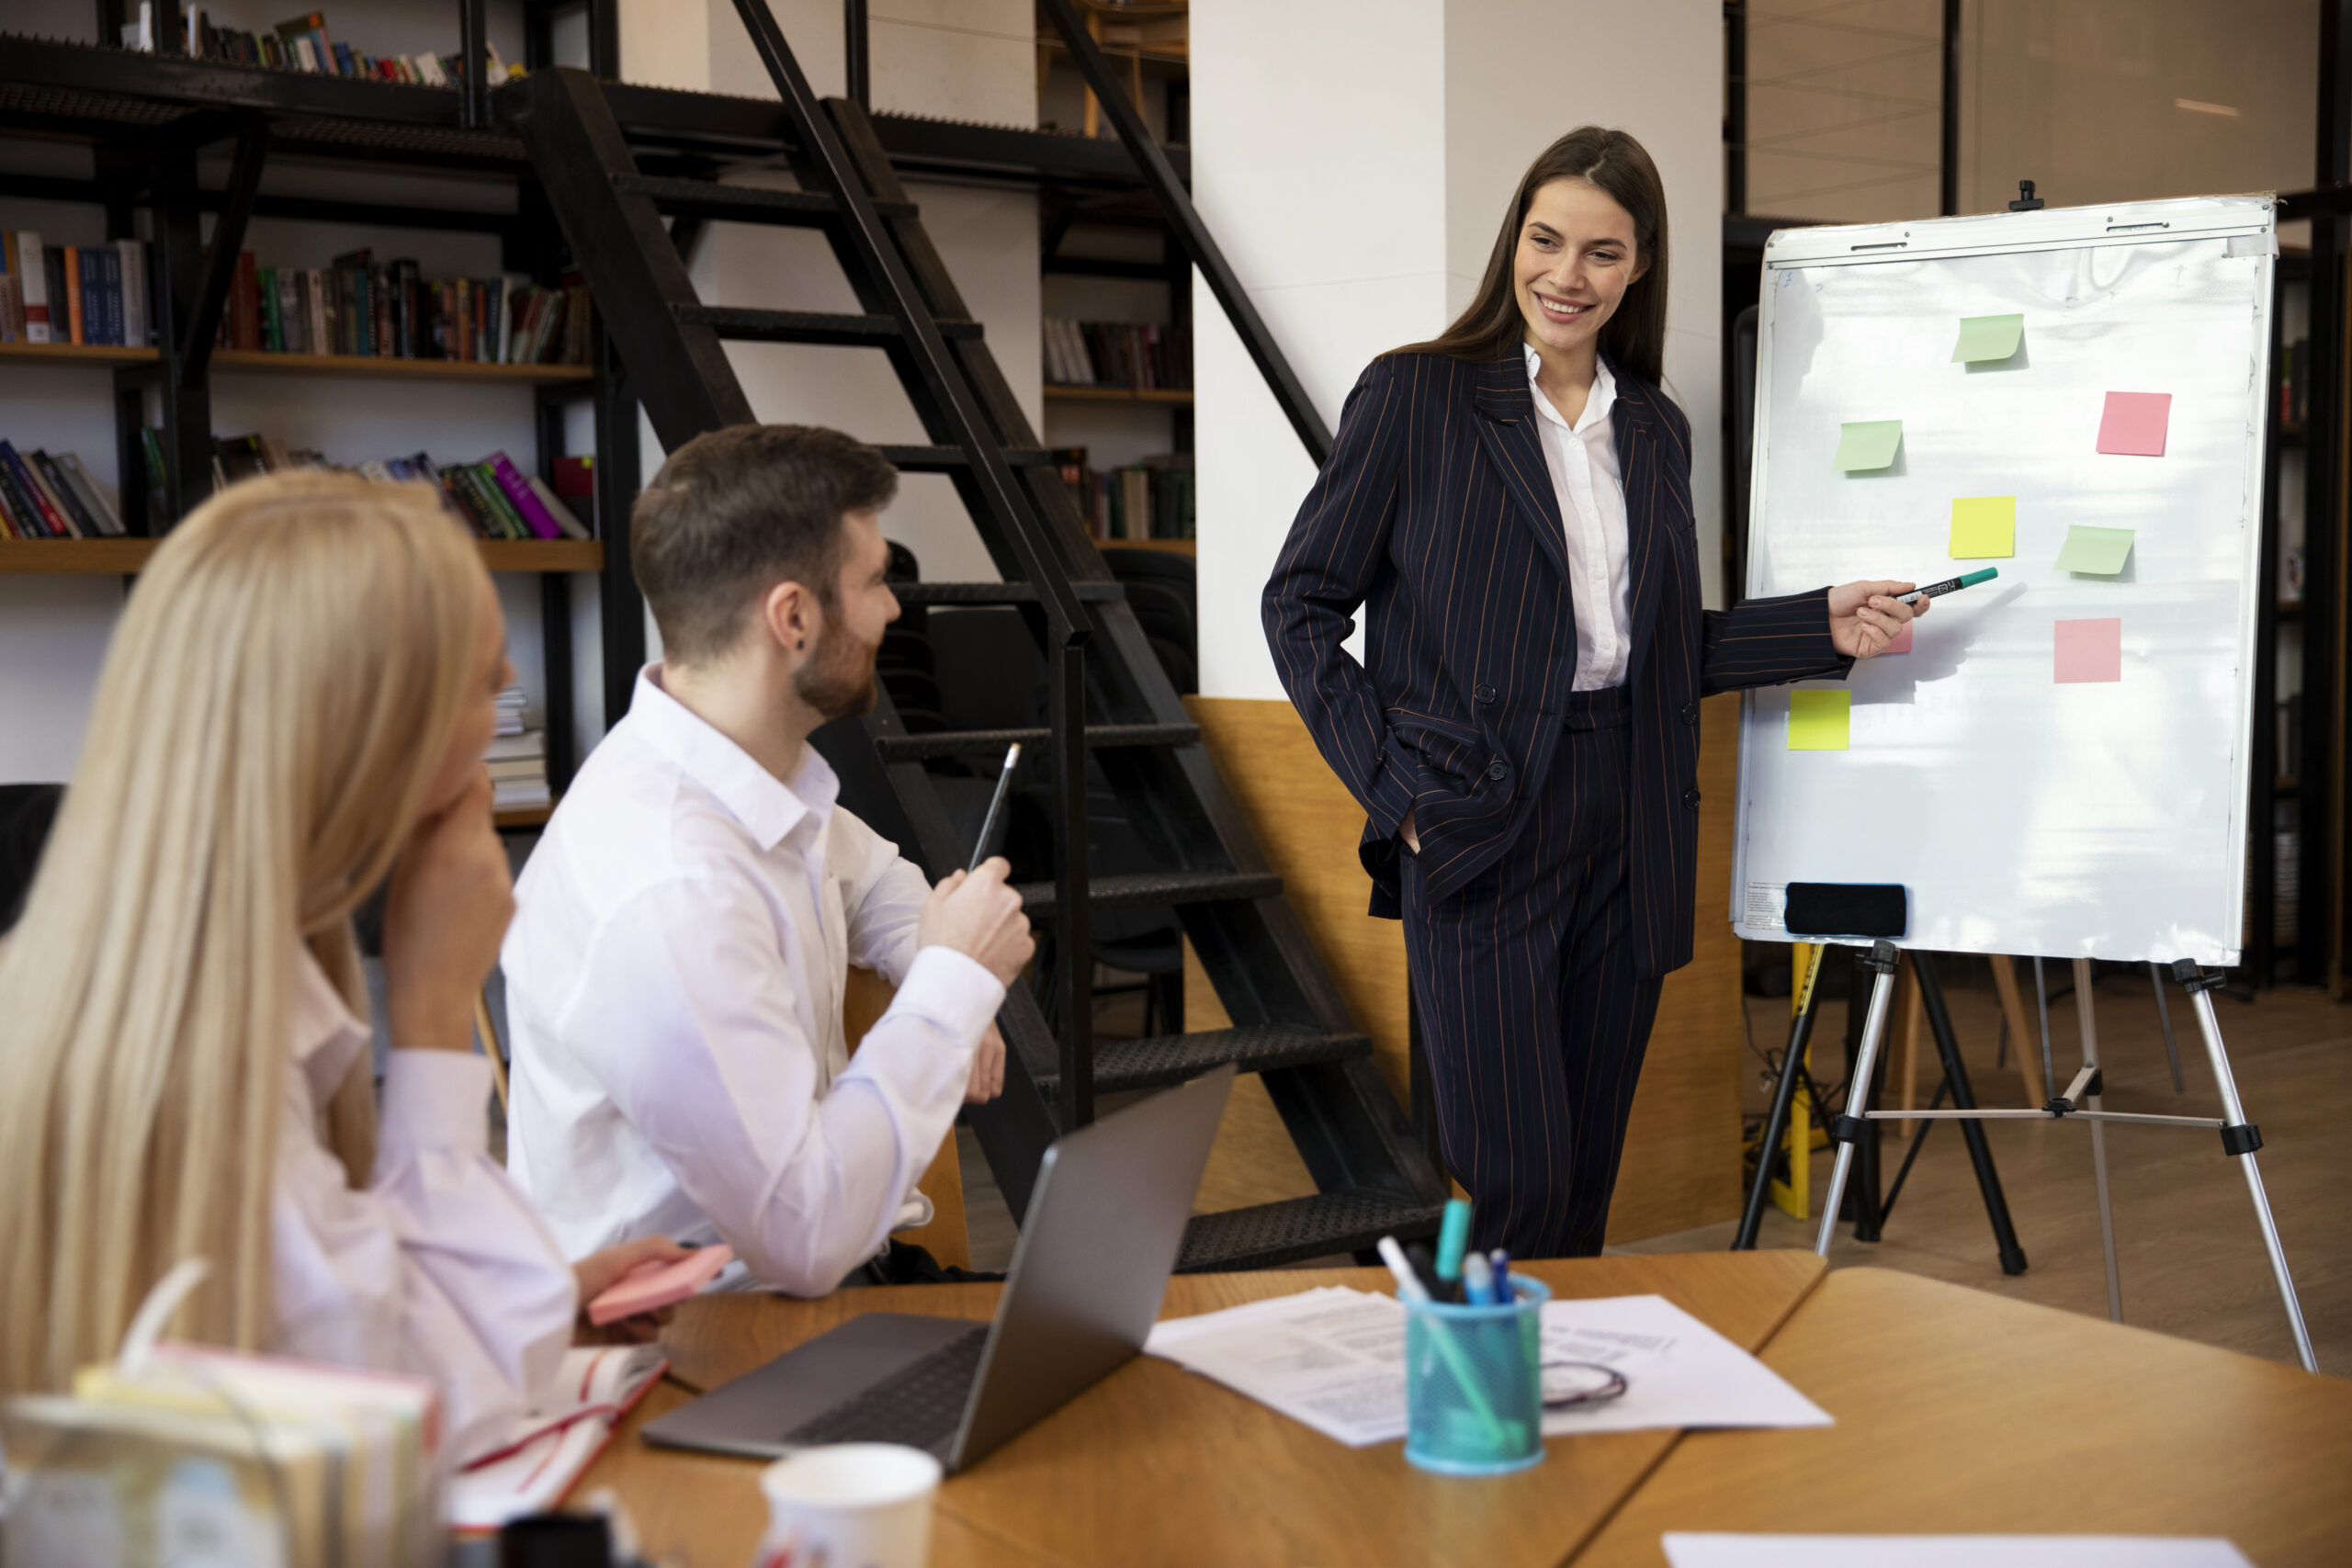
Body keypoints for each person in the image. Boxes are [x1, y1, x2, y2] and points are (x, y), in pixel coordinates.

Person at [1263, 127, 1923, 1259]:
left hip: (1630, 815)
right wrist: (1401, 796)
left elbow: (1655, 646)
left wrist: (1816, 625)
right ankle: (1475, 1422)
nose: (1567, 276)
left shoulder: (1655, 430)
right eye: (1545, 241)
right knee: (1509, 1178)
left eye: (1601, 253)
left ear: (1641, 266)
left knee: (1581, 1182)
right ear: (1512, 243)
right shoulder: (1417, 395)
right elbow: (1300, 605)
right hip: (1479, 818)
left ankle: (1556, 1417)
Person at [0, 470, 686, 1461]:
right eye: (485, 677)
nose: (507, 699)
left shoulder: (168, 953)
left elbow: (331, 1312)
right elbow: (402, 1416)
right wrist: (438, 1009)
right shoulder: (211, 1037)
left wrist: (533, 1299)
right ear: (374, 736)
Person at [503, 424, 1033, 1296]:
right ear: (793, 617)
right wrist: (949, 987)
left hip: (814, 1292)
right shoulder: (675, 877)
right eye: (873, 583)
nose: (894, 611)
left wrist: (932, 956)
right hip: (712, 1343)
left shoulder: (746, 773)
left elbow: (879, 883)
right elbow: (806, 1233)